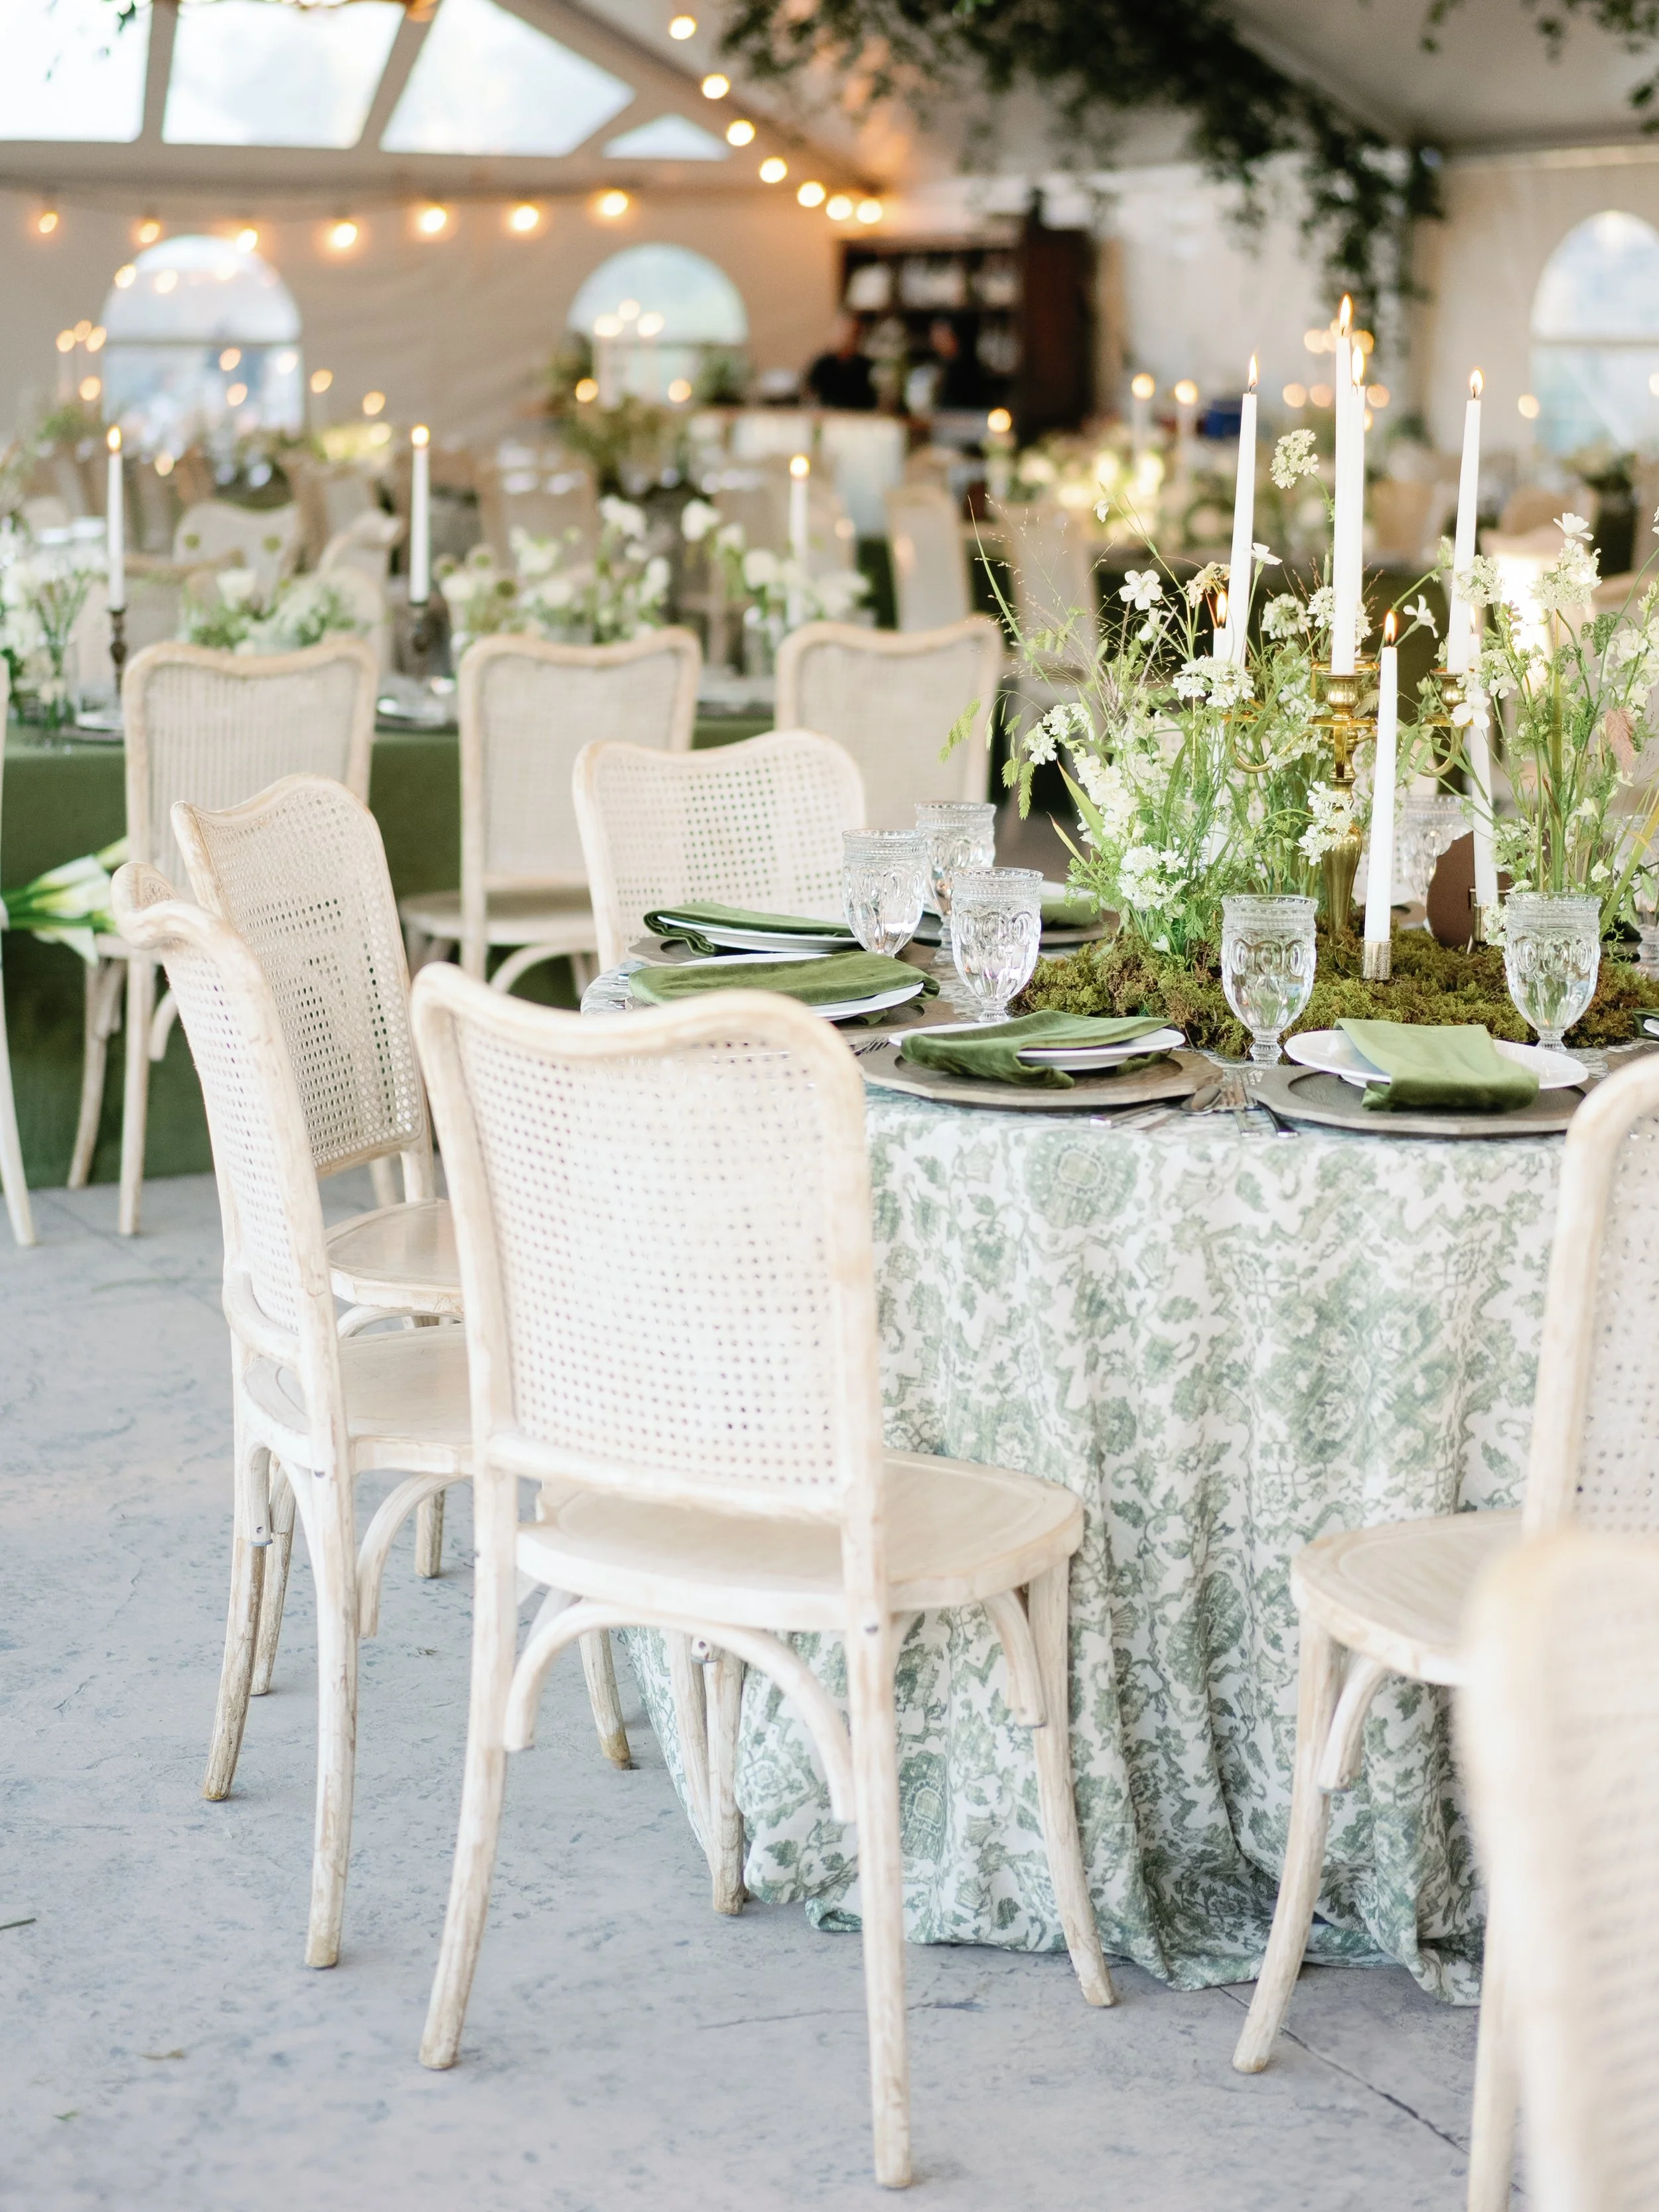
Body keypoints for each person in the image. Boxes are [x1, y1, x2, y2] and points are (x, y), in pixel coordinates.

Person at [806, 317, 877, 411]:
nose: (848, 339)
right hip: (830, 415)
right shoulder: (824, 364)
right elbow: (810, 392)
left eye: (853, 335)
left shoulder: (866, 366)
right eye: (844, 334)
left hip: (859, 416)